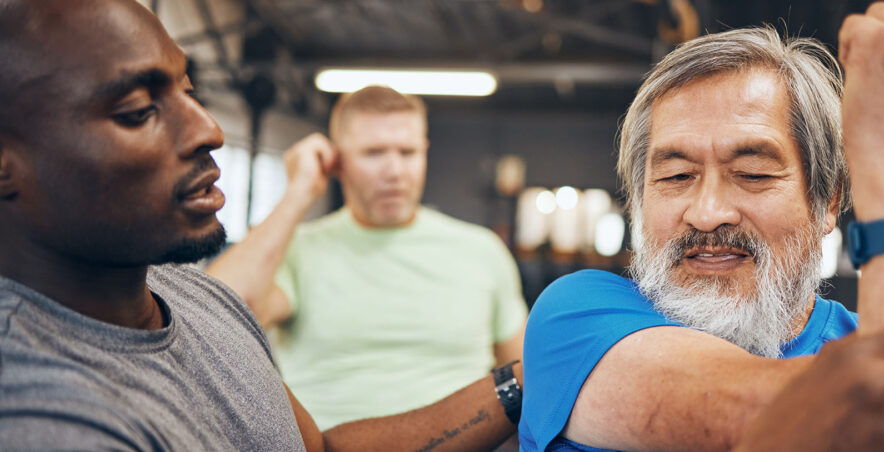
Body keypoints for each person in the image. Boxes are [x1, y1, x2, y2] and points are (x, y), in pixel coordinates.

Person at [0, 1, 521, 450]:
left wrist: (527, 381)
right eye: (138, 110)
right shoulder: (41, 411)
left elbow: (319, 448)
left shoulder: (194, 298)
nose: (210, 129)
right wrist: (299, 193)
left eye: (189, 91)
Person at [519, 3, 884, 451]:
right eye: (675, 177)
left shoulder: (867, 337)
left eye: (753, 174)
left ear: (828, 203)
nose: (708, 212)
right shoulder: (576, 318)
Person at [205, 85, 529, 428]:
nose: (394, 171)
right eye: (373, 153)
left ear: (425, 152)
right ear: (336, 160)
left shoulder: (481, 250)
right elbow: (211, 319)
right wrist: (297, 194)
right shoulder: (297, 248)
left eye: (408, 152)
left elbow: (528, 377)